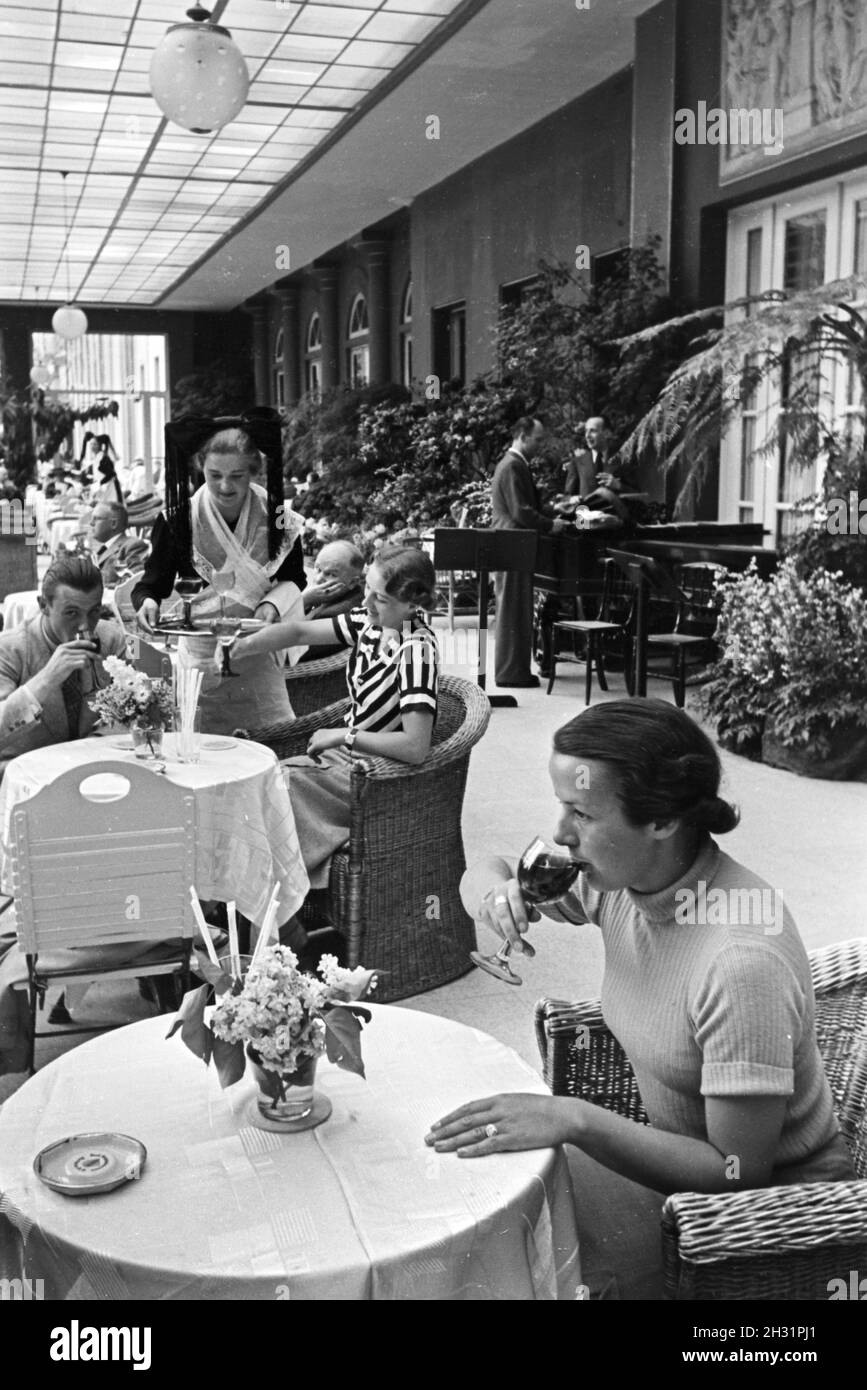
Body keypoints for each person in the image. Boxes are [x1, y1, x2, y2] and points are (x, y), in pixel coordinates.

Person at [427, 700, 854, 1204]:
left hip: (758, 1229)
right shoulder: (625, 880)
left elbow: (737, 1174)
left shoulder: (741, 963)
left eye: (581, 813)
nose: (561, 833)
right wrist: (494, 897)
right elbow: (486, 868)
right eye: (562, 805)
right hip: (670, 1178)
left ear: (663, 819)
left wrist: (575, 1118)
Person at [230, 544, 439, 894]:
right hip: (344, 763)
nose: (367, 604)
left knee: (278, 790)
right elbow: (298, 633)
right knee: (260, 784)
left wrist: (345, 735)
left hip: (376, 775)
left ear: (412, 604)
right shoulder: (370, 623)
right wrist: (241, 647)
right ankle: (263, 902)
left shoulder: (416, 650)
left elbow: (416, 747)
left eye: (381, 599)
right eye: (367, 591)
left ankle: (275, 907)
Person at [131, 410, 306, 735]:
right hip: (201, 662)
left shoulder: (279, 516)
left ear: (254, 471)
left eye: (237, 476)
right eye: (215, 475)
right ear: (201, 469)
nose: (225, 486)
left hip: (257, 652)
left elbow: (296, 578)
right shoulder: (178, 519)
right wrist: (148, 603)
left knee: (271, 748)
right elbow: (151, 585)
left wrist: (273, 604)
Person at [0, 555, 128, 776]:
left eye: (94, 612)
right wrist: (47, 679)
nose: (84, 625)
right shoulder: (9, 649)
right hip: (24, 776)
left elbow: (130, 712)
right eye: (71, 613)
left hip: (93, 769)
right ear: (43, 606)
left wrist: (84, 754)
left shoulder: (112, 638)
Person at [490, 416, 566, 688]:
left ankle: (514, 670)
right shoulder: (512, 465)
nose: (540, 445)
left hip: (513, 543)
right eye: (537, 439)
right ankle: (511, 673)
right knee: (513, 609)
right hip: (513, 543)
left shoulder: (513, 464)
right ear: (522, 436)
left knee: (515, 608)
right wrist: (551, 524)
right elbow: (521, 511)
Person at [88, 500, 150, 585]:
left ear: (113, 523)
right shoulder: (102, 549)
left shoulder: (133, 546)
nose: (91, 523)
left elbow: (134, 581)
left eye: (96, 519)